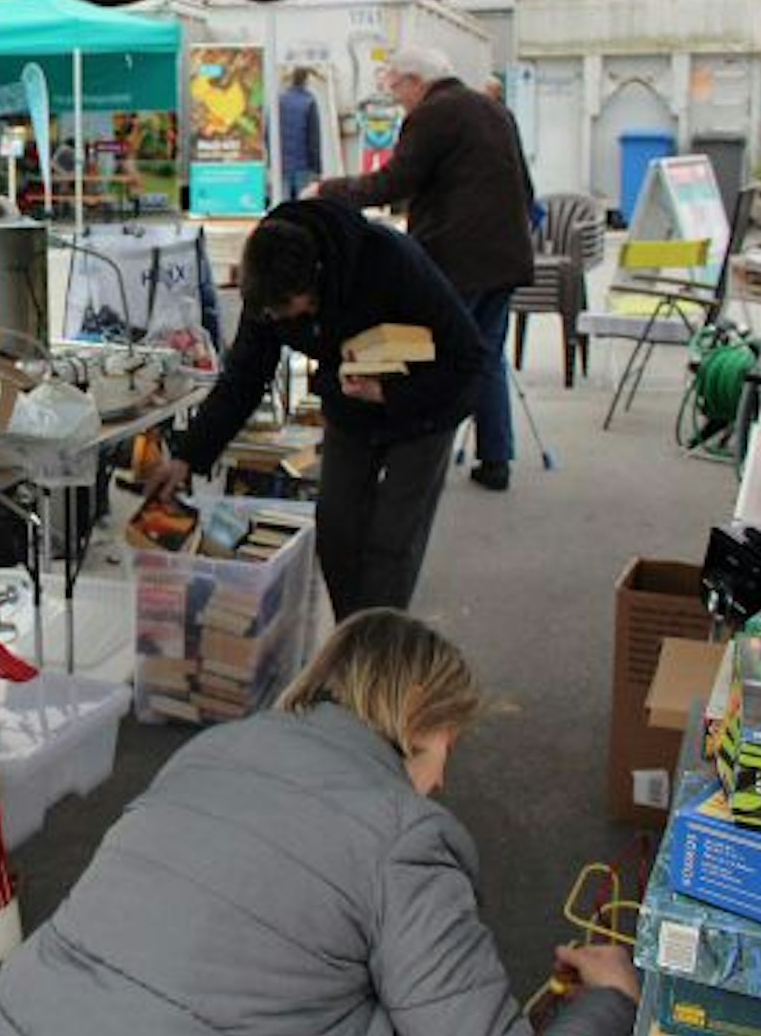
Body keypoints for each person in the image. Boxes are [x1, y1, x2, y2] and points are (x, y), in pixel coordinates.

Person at [0, 609, 641, 1036]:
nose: (441, 780)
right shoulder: (403, 832)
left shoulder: (211, 749)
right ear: (419, 719)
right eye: (450, 745)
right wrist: (608, 999)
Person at [148, 199, 483, 617]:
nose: (282, 320)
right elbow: (243, 380)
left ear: (315, 282)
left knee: (392, 542)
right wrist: (188, 456)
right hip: (351, 404)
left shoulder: (390, 260)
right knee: (337, 531)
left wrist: (390, 394)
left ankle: (374, 657)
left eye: (288, 310)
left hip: (427, 406)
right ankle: (350, 637)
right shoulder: (267, 290)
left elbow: (470, 361)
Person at [309, 47, 534, 493]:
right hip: (505, 257)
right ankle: (496, 459)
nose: (397, 100)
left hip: (459, 261)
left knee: (441, 358)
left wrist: (327, 191)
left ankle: (422, 454)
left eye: (396, 90)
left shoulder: (434, 115)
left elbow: (392, 183)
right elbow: (524, 186)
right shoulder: (492, 109)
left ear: (415, 82)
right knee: (485, 356)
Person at [277, 66, 322, 200]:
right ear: (306, 81)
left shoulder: (280, 101)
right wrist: (317, 168)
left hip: (282, 164)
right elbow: (313, 138)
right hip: (303, 166)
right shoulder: (309, 102)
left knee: (284, 206)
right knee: (302, 208)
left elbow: (269, 133)